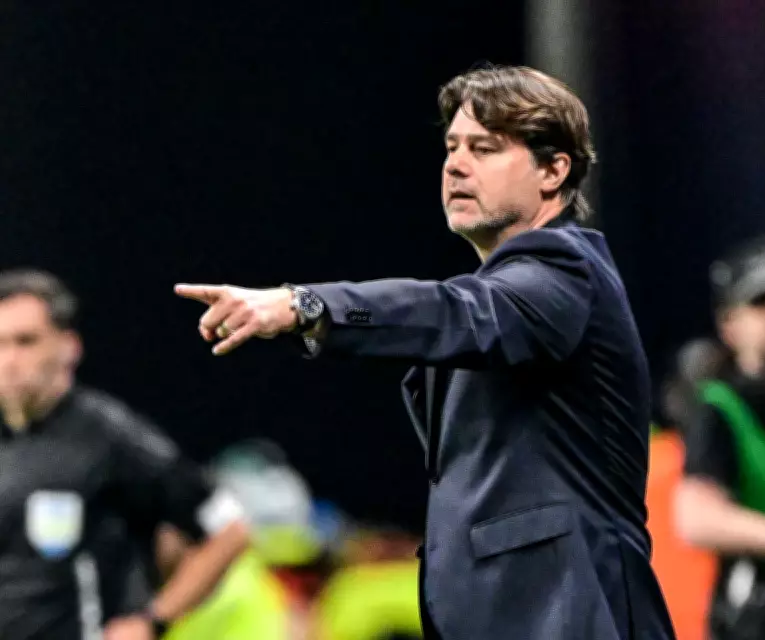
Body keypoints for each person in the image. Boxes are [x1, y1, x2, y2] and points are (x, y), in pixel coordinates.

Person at [175, 65, 676, 639]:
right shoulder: (511, 296)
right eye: (452, 147)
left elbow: (452, 311)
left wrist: (305, 305)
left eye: (484, 149)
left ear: (553, 170)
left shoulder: (565, 269)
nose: (455, 165)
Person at [0, 269, 250, 640]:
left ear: (69, 346)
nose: (9, 359)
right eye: (0, 343)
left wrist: (153, 620)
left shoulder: (111, 436)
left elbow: (230, 531)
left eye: (26, 341)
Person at [674, 235, 765, 639]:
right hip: (761, 614)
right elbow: (697, 519)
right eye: (762, 302)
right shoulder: (721, 406)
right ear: (730, 324)